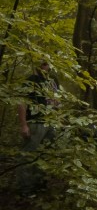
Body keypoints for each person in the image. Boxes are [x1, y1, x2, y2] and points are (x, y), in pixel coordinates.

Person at [18, 61, 58, 194]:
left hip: (51, 123)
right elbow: (22, 102)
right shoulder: (31, 81)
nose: (46, 67)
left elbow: (57, 101)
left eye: (47, 64)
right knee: (29, 155)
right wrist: (24, 124)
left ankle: (40, 186)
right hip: (35, 123)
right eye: (43, 64)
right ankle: (26, 189)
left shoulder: (52, 81)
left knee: (45, 155)